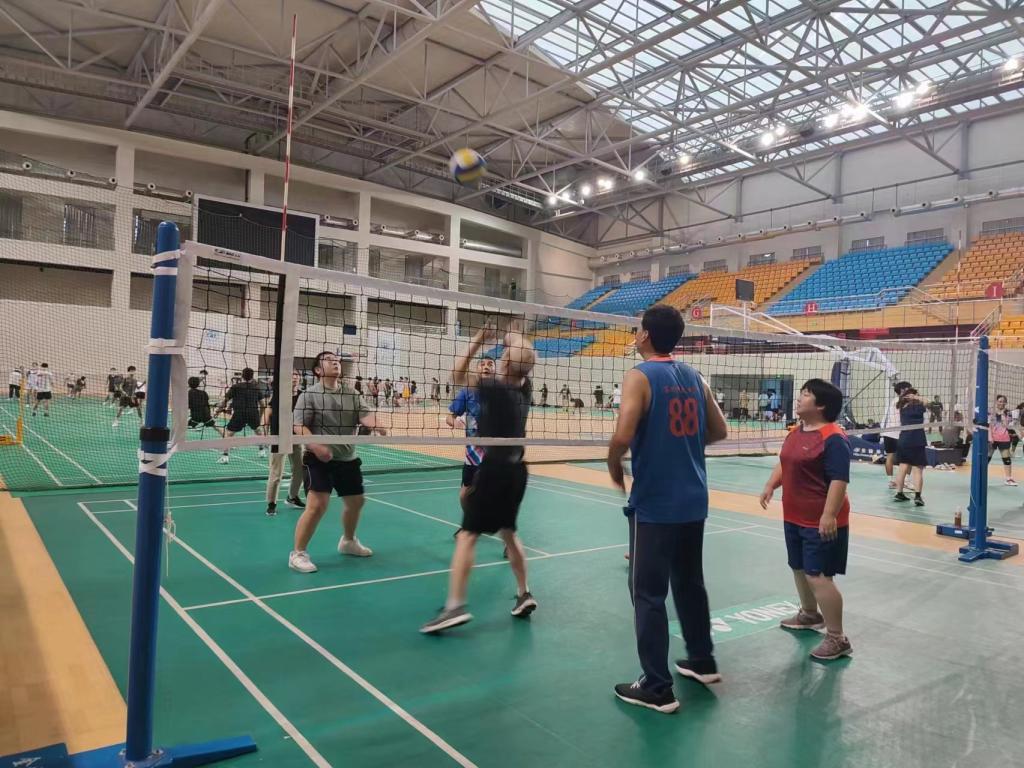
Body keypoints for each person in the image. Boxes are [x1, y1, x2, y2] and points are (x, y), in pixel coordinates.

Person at [608, 304, 728, 714]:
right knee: (689, 582)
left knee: (647, 593)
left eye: (637, 329)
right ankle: (702, 660)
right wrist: (681, 445)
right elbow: (720, 429)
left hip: (656, 502)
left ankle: (657, 687)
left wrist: (613, 464)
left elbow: (623, 434)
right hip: (694, 498)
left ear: (644, 335)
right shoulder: (694, 375)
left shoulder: (639, 376)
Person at [421, 323, 537, 634]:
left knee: (468, 535)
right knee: (509, 533)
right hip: (518, 471)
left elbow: (456, 374)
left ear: (506, 363)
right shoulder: (524, 388)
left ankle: (454, 606)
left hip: (494, 470)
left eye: (503, 356)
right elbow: (524, 355)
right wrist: (510, 336)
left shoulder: (495, 390)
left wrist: (478, 339)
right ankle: (524, 593)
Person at [759, 378, 853, 661]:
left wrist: (829, 514)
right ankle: (810, 614)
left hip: (820, 520)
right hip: (794, 516)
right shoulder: (796, 432)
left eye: (806, 394)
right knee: (799, 567)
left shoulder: (834, 438)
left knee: (818, 576)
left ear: (821, 405)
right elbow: (785, 462)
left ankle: (837, 638)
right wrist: (770, 485)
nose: (799, 398)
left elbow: (839, 480)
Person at [289, 351, 386, 573]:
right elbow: (299, 427)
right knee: (317, 506)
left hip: (347, 458)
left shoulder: (351, 393)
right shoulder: (308, 395)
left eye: (336, 359)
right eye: (328, 360)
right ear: (317, 370)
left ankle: (348, 541)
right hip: (317, 459)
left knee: (356, 502)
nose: (335, 362)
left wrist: (377, 425)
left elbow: (365, 415)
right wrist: (316, 446)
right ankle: (298, 553)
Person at [266, 369, 306, 516]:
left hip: (296, 438)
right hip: (279, 437)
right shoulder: (279, 395)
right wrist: (264, 427)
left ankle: (292, 497)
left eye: (296, 375)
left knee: (300, 469)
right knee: (276, 473)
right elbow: (268, 411)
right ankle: (271, 503)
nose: (294, 377)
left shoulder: (303, 396)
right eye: (291, 375)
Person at [215, 368, 267, 464]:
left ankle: (225, 457)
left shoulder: (235, 387)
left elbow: (224, 401)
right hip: (253, 413)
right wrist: (259, 417)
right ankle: (262, 451)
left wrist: (217, 411)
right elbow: (263, 404)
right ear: (252, 376)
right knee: (258, 431)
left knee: (228, 434)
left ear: (242, 376)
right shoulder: (256, 388)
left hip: (239, 413)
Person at [894, 388, 927, 505]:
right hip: (917, 440)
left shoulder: (902, 407)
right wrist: (917, 398)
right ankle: (917, 497)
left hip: (903, 440)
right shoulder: (918, 406)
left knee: (902, 467)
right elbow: (929, 402)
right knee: (917, 469)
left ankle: (899, 493)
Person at [880, 381, 912, 490]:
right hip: (899, 433)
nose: (910, 390)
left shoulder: (893, 401)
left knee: (890, 456)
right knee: (908, 457)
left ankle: (891, 481)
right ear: (903, 390)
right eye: (908, 388)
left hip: (888, 432)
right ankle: (906, 481)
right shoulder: (904, 401)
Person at [987, 394, 1017, 487]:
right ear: (996, 402)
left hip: (1004, 438)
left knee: (1006, 459)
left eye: (1004, 401)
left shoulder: (1008, 413)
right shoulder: (990, 412)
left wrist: (1003, 414)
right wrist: (990, 437)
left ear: (1006, 403)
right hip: (992, 438)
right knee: (987, 458)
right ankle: (981, 476)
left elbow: (1007, 425)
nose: (1002, 403)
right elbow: (989, 426)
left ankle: (1008, 479)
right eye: (1000, 401)